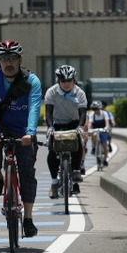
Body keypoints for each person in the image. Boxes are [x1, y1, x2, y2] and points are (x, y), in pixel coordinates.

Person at [0, 40, 42, 237]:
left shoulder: (31, 80)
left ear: (20, 60)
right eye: (4, 59)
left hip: (23, 129)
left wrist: (31, 132)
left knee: (27, 172)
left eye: (13, 58)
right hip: (0, 126)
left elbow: (34, 107)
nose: (9, 63)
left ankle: (28, 219)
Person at [45, 65, 88, 199]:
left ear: (74, 80)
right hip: (56, 123)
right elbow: (48, 113)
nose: (67, 83)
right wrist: (50, 127)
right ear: (58, 81)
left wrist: (80, 127)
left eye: (69, 80)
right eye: (63, 81)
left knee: (78, 144)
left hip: (73, 123)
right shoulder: (52, 92)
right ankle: (54, 183)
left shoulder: (79, 93)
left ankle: (75, 171)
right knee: (52, 150)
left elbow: (83, 113)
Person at [88, 101, 109, 166]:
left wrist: (106, 128)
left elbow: (107, 121)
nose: (95, 111)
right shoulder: (92, 114)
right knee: (94, 135)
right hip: (95, 129)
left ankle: (105, 159)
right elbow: (90, 122)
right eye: (93, 109)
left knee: (105, 146)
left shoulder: (104, 113)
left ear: (99, 108)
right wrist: (89, 128)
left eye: (96, 109)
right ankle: (94, 147)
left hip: (103, 129)